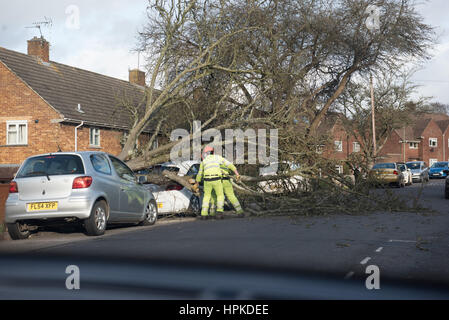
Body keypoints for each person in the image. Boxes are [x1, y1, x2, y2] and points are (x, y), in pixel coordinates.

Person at [195, 146, 241, 220]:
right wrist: (237, 174)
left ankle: (207, 213)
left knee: (210, 197)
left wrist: (196, 183)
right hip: (221, 180)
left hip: (208, 180)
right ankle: (238, 211)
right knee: (226, 196)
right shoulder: (219, 158)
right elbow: (230, 165)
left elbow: (200, 174)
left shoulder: (204, 161)